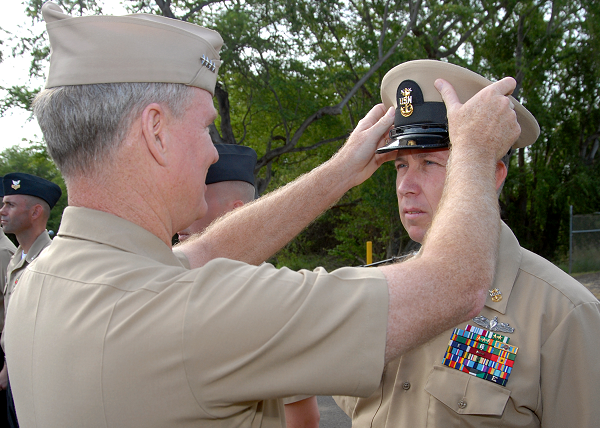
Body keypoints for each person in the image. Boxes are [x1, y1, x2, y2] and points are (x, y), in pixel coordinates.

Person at [4, 4, 520, 427]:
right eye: (207, 128)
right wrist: (473, 154)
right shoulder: (187, 317)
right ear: (155, 131)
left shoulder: (44, 281)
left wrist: (338, 172)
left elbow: (199, 255)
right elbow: (455, 286)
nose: (212, 152)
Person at [334, 60, 600, 428]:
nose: (405, 185)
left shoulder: (561, 314)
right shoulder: (376, 290)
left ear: (492, 175)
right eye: (400, 165)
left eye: (428, 162)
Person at [176, 144, 321, 428]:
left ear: (237, 214)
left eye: (198, 198)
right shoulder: (167, 280)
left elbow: (302, 420)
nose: (182, 212)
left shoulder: (272, 301)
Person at [0, 172, 62, 427]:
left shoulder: (54, 260)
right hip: (15, 372)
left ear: (36, 212)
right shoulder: (16, 258)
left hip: (39, 378)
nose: (2, 210)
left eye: (10, 205)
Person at [0, 179, 16, 424]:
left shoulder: (4, 252)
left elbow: (9, 313)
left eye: (9, 204)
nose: (3, 211)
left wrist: (6, 365)